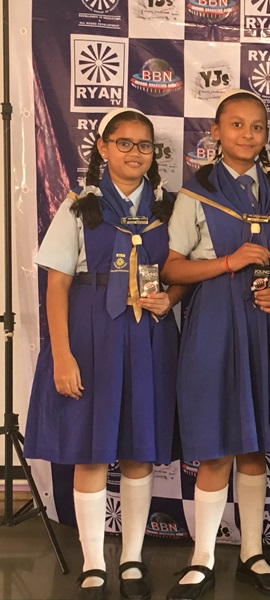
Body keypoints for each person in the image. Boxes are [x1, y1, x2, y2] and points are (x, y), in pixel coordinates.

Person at [25, 108, 182, 600]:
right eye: (124, 143)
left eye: (144, 145)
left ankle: (132, 558)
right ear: (103, 148)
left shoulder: (168, 208)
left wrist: (170, 298)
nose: (135, 153)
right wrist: (62, 355)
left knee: (138, 451)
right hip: (92, 338)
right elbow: (56, 286)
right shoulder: (79, 208)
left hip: (149, 336)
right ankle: (94, 562)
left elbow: (180, 273)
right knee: (91, 452)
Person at [161, 90, 270, 600]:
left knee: (254, 445)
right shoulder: (195, 192)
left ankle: (252, 554)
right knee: (217, 445)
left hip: (267, 323)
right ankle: (201, 559)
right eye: (236, 125)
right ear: (216, 132)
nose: (247, 134)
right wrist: (227, 262)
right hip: (216, 323)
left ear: (266, 136)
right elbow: (171, 268)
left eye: (257, 126)